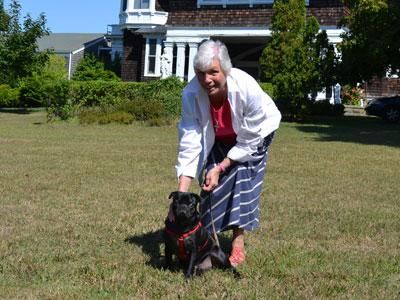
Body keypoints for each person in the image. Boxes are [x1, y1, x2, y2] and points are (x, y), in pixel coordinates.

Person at [171, 39, 281, 267]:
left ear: (226, 70)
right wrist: (180, 196)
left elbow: (249, 140)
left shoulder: (247, 88)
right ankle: (206, 244)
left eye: (213, 72)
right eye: (201, 73)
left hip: (255, 135)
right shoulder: (191, 94)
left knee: (241, 175)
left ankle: (238, 242)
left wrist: (222, 166)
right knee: (209, 186)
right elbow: (190, 142)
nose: (206, 80)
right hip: (220, 137)